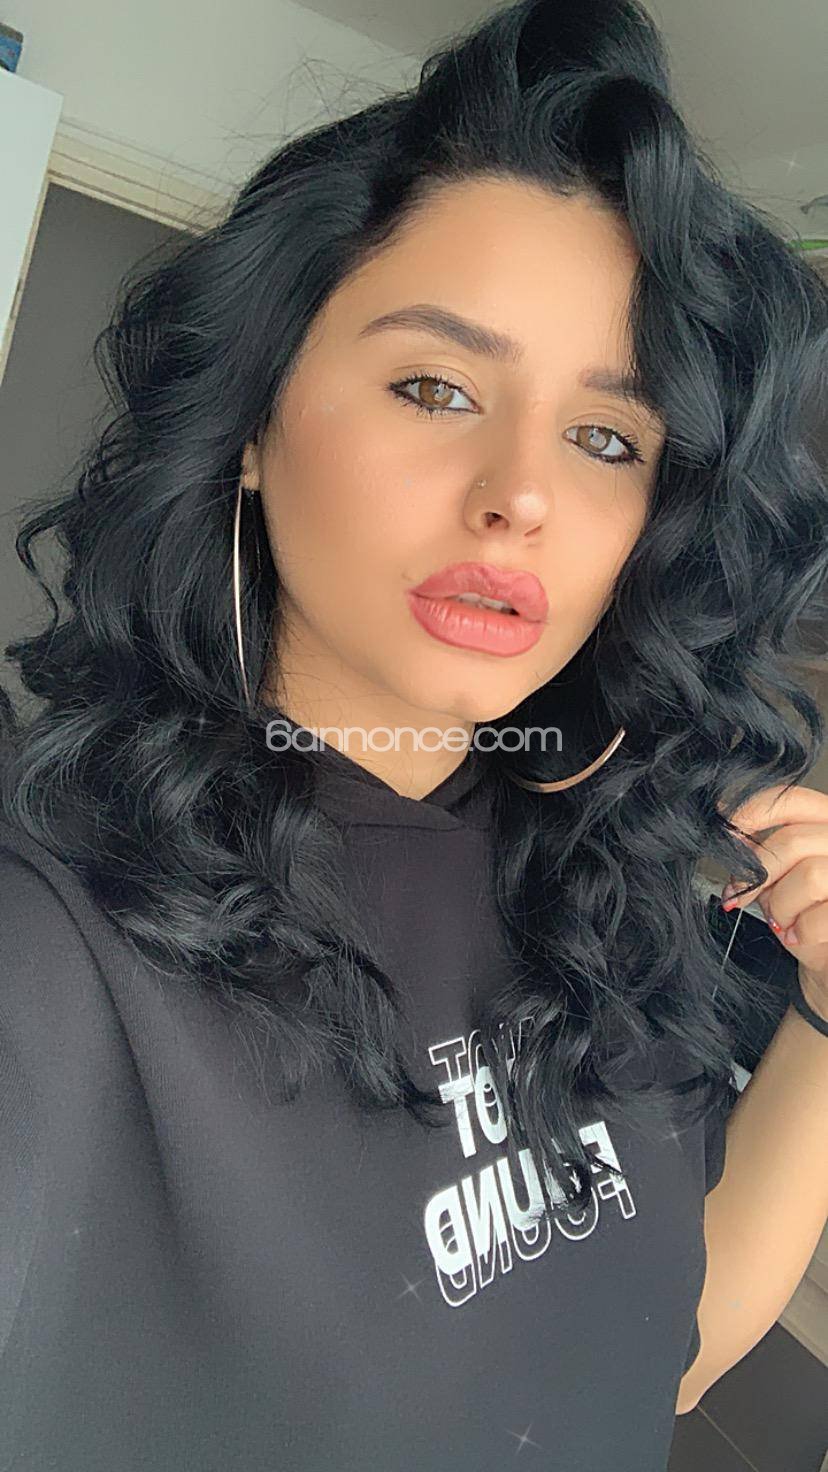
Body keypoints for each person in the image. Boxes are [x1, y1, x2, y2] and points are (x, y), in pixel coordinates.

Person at [1, 1, 826, 1468]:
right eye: (436, 388)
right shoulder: (54, 945)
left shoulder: (601, 881)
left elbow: (662, 1343)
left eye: (607, 437)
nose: (524, 493)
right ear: (253, 423)